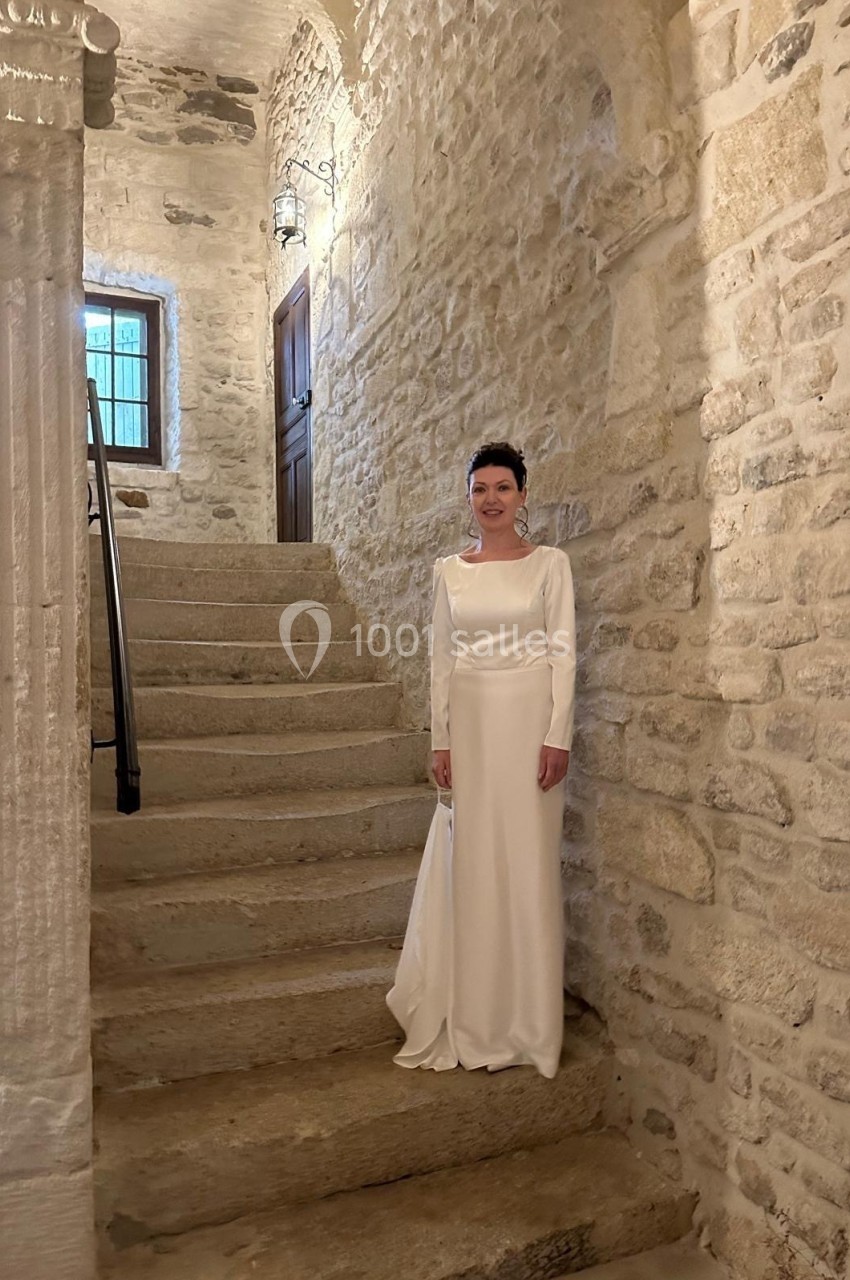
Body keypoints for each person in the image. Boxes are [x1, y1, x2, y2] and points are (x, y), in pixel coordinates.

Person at [386, 440, 577, 1078]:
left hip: (529, 725)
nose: (490, 499)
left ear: (523, 495)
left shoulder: (551, 564)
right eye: (479, 489)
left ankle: (530, 1027)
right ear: (467, 500)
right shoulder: (449, 571)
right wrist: (439, 740)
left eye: (502, 487)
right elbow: (440, 660)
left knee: (527, 865)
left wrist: (559, 735)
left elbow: (564, 655)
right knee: (474, 864)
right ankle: (475, 1016)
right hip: (469, 724)